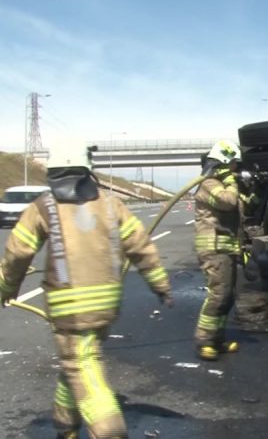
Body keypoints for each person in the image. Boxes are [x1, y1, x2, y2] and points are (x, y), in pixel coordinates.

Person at [0, 140, 172, 439]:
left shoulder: (43, 207)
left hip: (69, 310)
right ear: (87, 172)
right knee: (79, 359)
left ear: (51, 173)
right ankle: (65, 423)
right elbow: (141, 247)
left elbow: (17, 254)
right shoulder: (111, 204)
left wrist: (6, 288)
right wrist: (160, 284)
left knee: (81, 363)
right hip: (106, 305)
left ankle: (108, 429)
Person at [193, 140, 247, 360]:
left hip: (226, 248)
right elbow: (227, 202)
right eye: (234, 163)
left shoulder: (222, 183)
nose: (236, 168)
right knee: (218, 294)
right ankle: (204, 341)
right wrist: (231, 182)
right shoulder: (209, 183)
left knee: (228, 296)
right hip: (213, 248)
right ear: (225, 162)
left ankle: (217, 339)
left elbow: (240, 204)